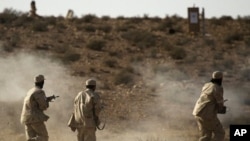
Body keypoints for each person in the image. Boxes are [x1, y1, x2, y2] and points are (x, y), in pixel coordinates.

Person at [192, 71, 226, 141]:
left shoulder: (206, 85)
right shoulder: (218, 87)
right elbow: (219, 101)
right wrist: (221, 108)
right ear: (221, 78)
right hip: (207, 114)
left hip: (197, 112)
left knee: (206, 135)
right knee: (220, 133)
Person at [20, 74, 49, 141]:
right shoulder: (39, 91)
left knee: (31, 137)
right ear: (42, 82)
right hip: (35, 118)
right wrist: (47, 102)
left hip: (26, 119)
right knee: (44, 137)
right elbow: (43, 106)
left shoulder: (30, 91)